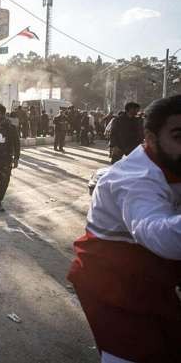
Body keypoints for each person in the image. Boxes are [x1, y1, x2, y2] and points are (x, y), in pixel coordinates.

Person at [67, 95, 181, 363]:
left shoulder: (169, 160)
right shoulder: (135, 180)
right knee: (133, 352)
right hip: (113, 283)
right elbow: (158, 233)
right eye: (178, 136)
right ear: (151, 138)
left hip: (154, 275)